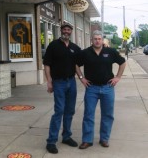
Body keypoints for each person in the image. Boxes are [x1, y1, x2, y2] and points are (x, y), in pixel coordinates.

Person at [76, 30, 126, 150]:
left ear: (102, 40)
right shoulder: (85, 53)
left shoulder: (110, 51)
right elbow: (76, 64)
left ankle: (104, 139)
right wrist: (82, 78)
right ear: (91, 40)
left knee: (107, 115)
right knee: (88, 114)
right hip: (91, 88)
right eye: (95, 39)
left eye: (99, 39)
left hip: (107, 88)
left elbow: (122, 62)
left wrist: (118, 77)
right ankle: (87, 140)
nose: (97, 41)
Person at [43, 22, 81, 154]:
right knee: (59, 110)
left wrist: (103, 47)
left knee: (70, 111)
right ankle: (51, 141)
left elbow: (80, 61)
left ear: (71, 32)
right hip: (58, 83)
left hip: (71, 82)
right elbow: (47, 64)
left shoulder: (75, 48)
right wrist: (49, 81)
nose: (66, 31)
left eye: (68, 30)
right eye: (64, 29)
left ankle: (66, 136)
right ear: (61, 31)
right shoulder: (53, 45)